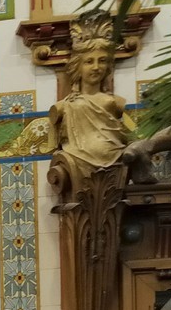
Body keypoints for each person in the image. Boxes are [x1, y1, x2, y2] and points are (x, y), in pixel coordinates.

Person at [48, 10, 131, 197]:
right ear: (77, 66)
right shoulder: (63, 107)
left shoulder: (116, 103)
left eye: (102, 61)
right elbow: (52, 145)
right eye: (89, 62)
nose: (96, 67)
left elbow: (130, 136)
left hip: (115, 166)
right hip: (78, 167)